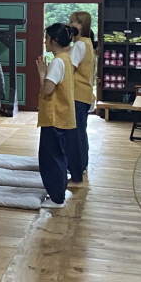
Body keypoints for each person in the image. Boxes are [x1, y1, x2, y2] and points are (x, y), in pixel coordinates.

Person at [36, 23, 78, 209]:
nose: (45, 42)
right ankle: (58, 194)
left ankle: (57, 198)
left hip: (54, 117)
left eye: (47, 38)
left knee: (51, 159)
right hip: (63, 116)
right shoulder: (66, 59)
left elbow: (47, 88)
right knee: (58, 156)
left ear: (54, 41)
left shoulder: (57, 62)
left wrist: (42, 73)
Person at [68, 11, 98, 186]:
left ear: (80, 25)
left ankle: (77, 170)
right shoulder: (88, 43)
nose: (69, 25)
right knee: (80, 132)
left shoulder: (80, 45)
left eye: (72, 21)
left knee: (75, 134)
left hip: (77, 94)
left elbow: (69, 69)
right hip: (84, 94)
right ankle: (81, 166)